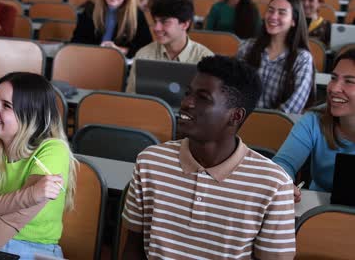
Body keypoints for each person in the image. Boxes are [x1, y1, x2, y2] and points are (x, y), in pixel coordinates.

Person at [122, 55, 296, 259]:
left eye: (203, 98)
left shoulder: (274, 184)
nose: (186, 103)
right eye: (188, 93)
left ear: (235, 116)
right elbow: (133, 249)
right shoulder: (150, 162)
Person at [0, 72, 78, 259]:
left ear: (31, 115)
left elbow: (14, 219)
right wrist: (30, 195)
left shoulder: (54, 150)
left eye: (6, 105)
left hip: (36, 250)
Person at [273, 49, 355, 200]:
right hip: (317, 212)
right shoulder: (314, 120)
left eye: (349, 81)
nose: (334, 88)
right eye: (333, 78)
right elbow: (283, 162)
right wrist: (282, 181)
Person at [238, 0, 314, 114]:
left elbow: (293, 107)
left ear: (293, 21)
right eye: (270, 10)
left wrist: (266, 123)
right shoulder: (247, 47)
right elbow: (233, 90)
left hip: (277, 126)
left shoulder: (302, 58)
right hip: (240, 120)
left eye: (282, 12)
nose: (273, 16)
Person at [126, 0, 213, 93]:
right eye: (155, 21)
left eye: (164, 22)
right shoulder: (144, 55)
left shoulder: (205, 59)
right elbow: (132, 97)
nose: (156, 28)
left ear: (185, 24)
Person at [71, 0, 152, 58]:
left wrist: (120, 50)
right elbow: (76, 42)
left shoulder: (137, 16)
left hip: (119, 63)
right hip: (90, 60)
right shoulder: (89, 11)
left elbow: (146, 49)